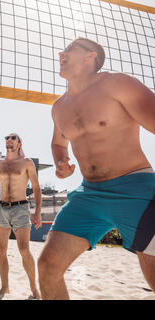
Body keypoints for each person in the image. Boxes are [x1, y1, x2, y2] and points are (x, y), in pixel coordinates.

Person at [37, 37, 155, 300]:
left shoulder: (116, 84)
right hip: (89, 195)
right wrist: (60, 161)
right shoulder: (59, 107)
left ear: (91, 56)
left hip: (136, 189)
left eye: (69, 49)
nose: (61, 52)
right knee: (47, 267)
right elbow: (58, 142)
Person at [0, 133, 42, 300]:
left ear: (20, 143)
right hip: (1, 209)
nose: (9, 139)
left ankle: (34, 288)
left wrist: (37, 213)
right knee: (0, 250)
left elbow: (36, 188)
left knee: (23, 249)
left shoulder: (27, 163)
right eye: (7, 137)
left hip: (20, 208)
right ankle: (4, 287)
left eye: (13, 137)